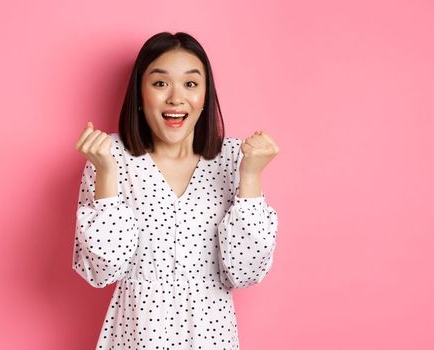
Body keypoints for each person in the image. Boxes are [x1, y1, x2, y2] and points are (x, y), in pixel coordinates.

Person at [71, 31, 280, 349]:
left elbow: (245, 271)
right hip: (137, 335)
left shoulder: (236, 158)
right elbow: (103, 270)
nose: (176, 98)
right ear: (140, 94)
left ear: (205, 97)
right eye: (160, 83)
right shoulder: (109, 157)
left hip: (211, 336)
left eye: (191, 84)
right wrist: (106, 174)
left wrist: (250, 177)